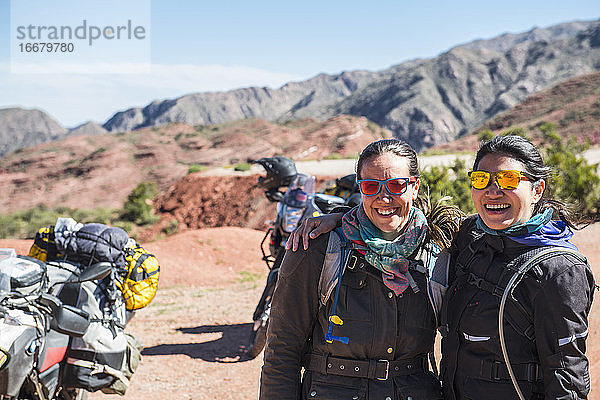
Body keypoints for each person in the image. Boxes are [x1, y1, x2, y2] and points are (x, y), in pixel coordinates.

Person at [288, 135, 595, 400]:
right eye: (481, 180)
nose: (493, 191)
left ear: (537, 190)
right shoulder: (470, 239)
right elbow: (396, 214)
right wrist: (343, 218)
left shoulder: (558, 269)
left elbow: (567, 374)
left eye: (509, 180)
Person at [259, 139, 457, 400]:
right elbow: (282, 349)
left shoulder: (438, 251)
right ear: (361, 188)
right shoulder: (318, 247)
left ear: (414, 186)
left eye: (396, 185)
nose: (383, 197)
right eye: (371, 185)